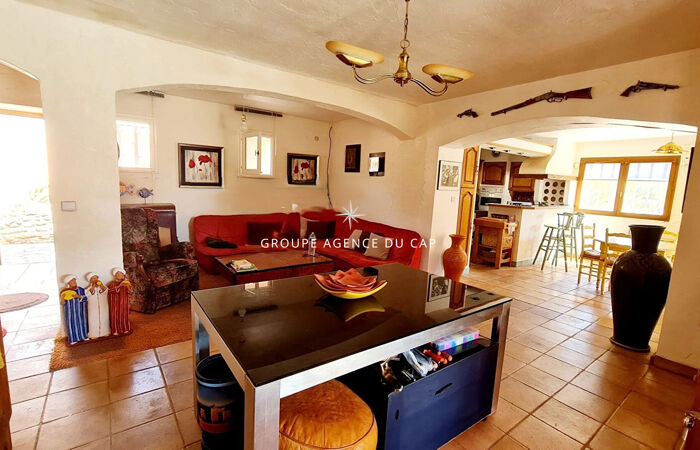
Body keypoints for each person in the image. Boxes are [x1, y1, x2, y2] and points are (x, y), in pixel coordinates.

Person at [60, 274, 88, 344]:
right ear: (68, 283)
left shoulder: (81, 289)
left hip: (80, 310)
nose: (74, 282)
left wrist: (78, 296)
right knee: (71, 324)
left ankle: (84, 336)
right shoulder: (64, 291)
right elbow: (63, 303)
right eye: (72, 281)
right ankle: (73, 339)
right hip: (70, 311)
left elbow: (87, 298)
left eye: (74, 280)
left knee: (82, 323)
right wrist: (62, 298)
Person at [85, 273, 111, 338]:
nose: (95, 280)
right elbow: (88, 294)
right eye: (93, 278)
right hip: (93, 307)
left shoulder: (102, 287)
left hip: (103, 306)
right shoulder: (88, 289)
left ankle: (105, 332)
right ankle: (93, 334)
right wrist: (93, 286)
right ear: (90, 280)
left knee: (104, 318)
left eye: (96, 278)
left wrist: (101, 285)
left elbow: (106, 291)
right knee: (93, 319)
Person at [108, 267, 132, 335]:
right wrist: (119, 286)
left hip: (124, 303)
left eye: (122, 274)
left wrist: (128, 286)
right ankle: (115, 330)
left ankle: (125, 328)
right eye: (119, 274)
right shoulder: (112, 284)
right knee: (115, 316)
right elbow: (110, 291)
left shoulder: (127, 283)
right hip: (115, 303)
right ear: (115, 276)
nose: (121, 275)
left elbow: (131, 292)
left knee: (124, 315)